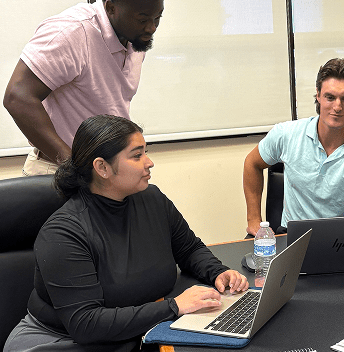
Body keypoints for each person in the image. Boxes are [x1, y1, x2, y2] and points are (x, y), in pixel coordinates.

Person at [3, 115, 249, 351]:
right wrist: (174, 307)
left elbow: (189, 249)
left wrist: (218, 272)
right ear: (102, 167)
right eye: (137, 155)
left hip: (138, 331)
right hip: (63, 342)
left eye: (146, 152)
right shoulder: (63, 234)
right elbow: (86, 324)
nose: (149, 162)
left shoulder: (153, 199)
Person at [3, 0, 165, 176]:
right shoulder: (71, 32)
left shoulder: (135, 37)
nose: (152, 28)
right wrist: (74, 168)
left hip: (103, 173)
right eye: (143, 19)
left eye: (157, 18)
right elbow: (17, 97)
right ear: (111, 8)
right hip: (59, 171)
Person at [243, 58, 344, 237]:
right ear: (318, 95)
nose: (337, 107)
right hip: (293, 236)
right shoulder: (287, 134)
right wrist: (253, 219)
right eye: (330, 97)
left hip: (342, 239)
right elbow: (252, 163)